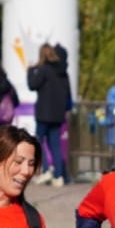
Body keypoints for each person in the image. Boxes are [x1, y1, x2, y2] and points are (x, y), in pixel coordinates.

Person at [29, 42, 72, 187]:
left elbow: (32, 85)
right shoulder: (63, 72)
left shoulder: (43, 70)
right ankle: (58, 176)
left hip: (43, 114)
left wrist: (30, 71)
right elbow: (68, 93)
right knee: (55, 145)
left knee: (39, 142)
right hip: (58, 114)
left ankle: (46, 169)